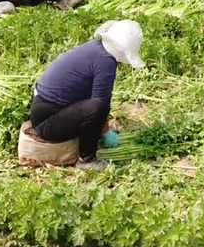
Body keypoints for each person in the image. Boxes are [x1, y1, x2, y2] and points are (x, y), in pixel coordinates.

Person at [27, 20, 145, 170]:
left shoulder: (95, 48)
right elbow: (100, 104)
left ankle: (89, 144)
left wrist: (102, 128)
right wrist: (106, 131)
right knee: (97, 106)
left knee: (95, 105)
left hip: (43, 109)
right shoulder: (106, 62)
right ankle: (87, 159)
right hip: (47, 123)